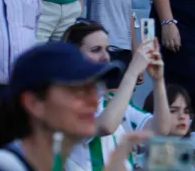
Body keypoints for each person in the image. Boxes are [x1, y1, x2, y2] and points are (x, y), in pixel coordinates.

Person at [0, 42, 124, 171]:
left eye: (94, 89)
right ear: (34, 104)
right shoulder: (4, 166)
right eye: (78, 91)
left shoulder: (63, 166)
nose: (94, 100)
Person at [63, 21, 171, 171]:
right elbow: (106, 126)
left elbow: (160, 129)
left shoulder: (110, 101)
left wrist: (158, 80)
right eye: (96, 50)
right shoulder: (65, 103)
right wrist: (132, 71)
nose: (105, 57)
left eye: (107, 49)